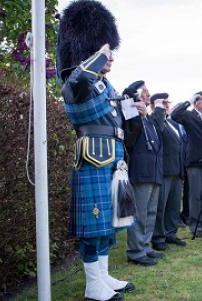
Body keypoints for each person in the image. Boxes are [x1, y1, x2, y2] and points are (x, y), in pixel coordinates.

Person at [56, 1, 133, 300]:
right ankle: (93, 285)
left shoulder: (103, 84)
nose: (110, 57)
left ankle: (102, 277)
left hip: (112, 157)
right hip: (93, 157)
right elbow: (77, 83)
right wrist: (99, 57)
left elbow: (114, 116)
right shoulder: (74, 80)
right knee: (93, 224)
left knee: (107, 225)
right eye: (105, 49)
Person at [124, 82, 165, 267]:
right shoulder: (132, 112)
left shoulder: (148, 118)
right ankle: (136, 251)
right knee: (140, 214)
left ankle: (146, 247)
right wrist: (137, 114)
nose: (148, 94)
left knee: (150, 212)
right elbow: (130, 139)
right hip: (141, 171)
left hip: (154, 171)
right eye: (144, 91)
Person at [171, 93, 202, 235]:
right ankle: (196, 225)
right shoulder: (189, 115)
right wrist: (188, 101)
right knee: (196, 196)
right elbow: (175, 114)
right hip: (195, 161)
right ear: (196, 102)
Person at [150, 93, 187, 249]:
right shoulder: (154, 119)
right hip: (164, 171)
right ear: (154, 104)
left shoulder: (171, 122)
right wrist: (157, 110)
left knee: (173, 206)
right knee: (161, 207)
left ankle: (171, 234)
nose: (166, 105)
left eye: (167, 102)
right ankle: (158, 238)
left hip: (177, 171)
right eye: (163, 102)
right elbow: (157, 132)